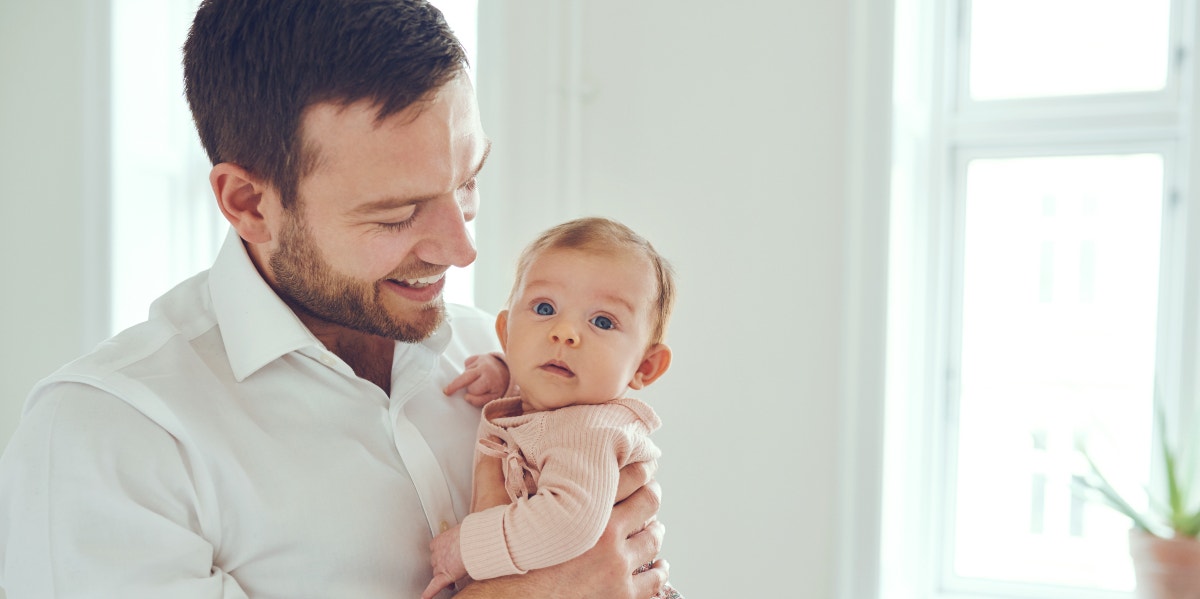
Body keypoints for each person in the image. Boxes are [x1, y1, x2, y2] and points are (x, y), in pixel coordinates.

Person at [0, 2, 668, 598]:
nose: (461, 248)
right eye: (397, 213)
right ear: (248, 203)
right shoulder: (111, 436)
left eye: (468, 182)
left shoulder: (505, 358)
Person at [423, 217, 683, 599]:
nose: (565, 333)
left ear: (645, 367)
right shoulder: (552, 401)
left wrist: (465, 548)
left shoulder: (590, 431)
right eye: (544, 308)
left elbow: (568, 521)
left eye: (601, 321)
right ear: (507, 332)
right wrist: (504, 371)